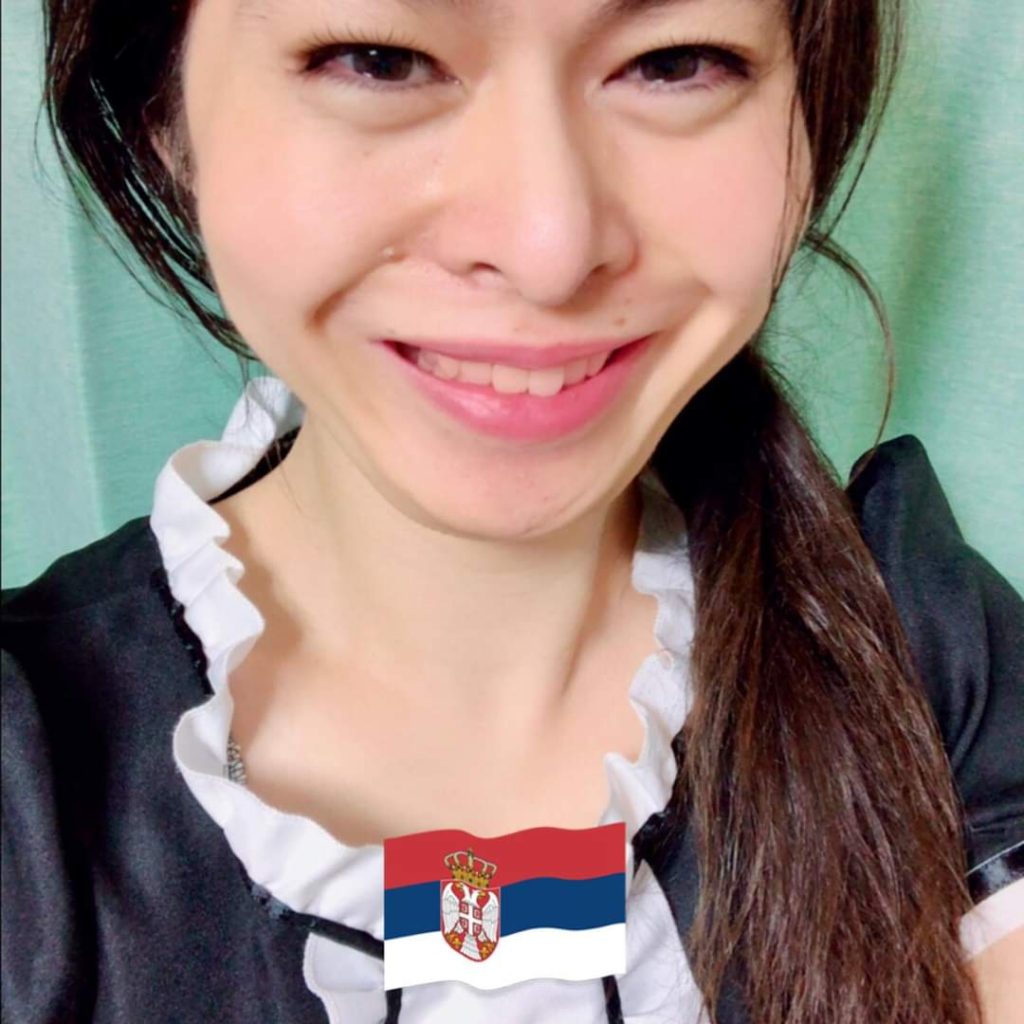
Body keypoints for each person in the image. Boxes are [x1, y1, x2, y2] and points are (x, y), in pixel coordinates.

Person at [2, 0, 1021, 1021]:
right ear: (163, 112)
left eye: (674, 63)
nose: (548, 247)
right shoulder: (30, 788)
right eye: (380, 60)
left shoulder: (928, 660)